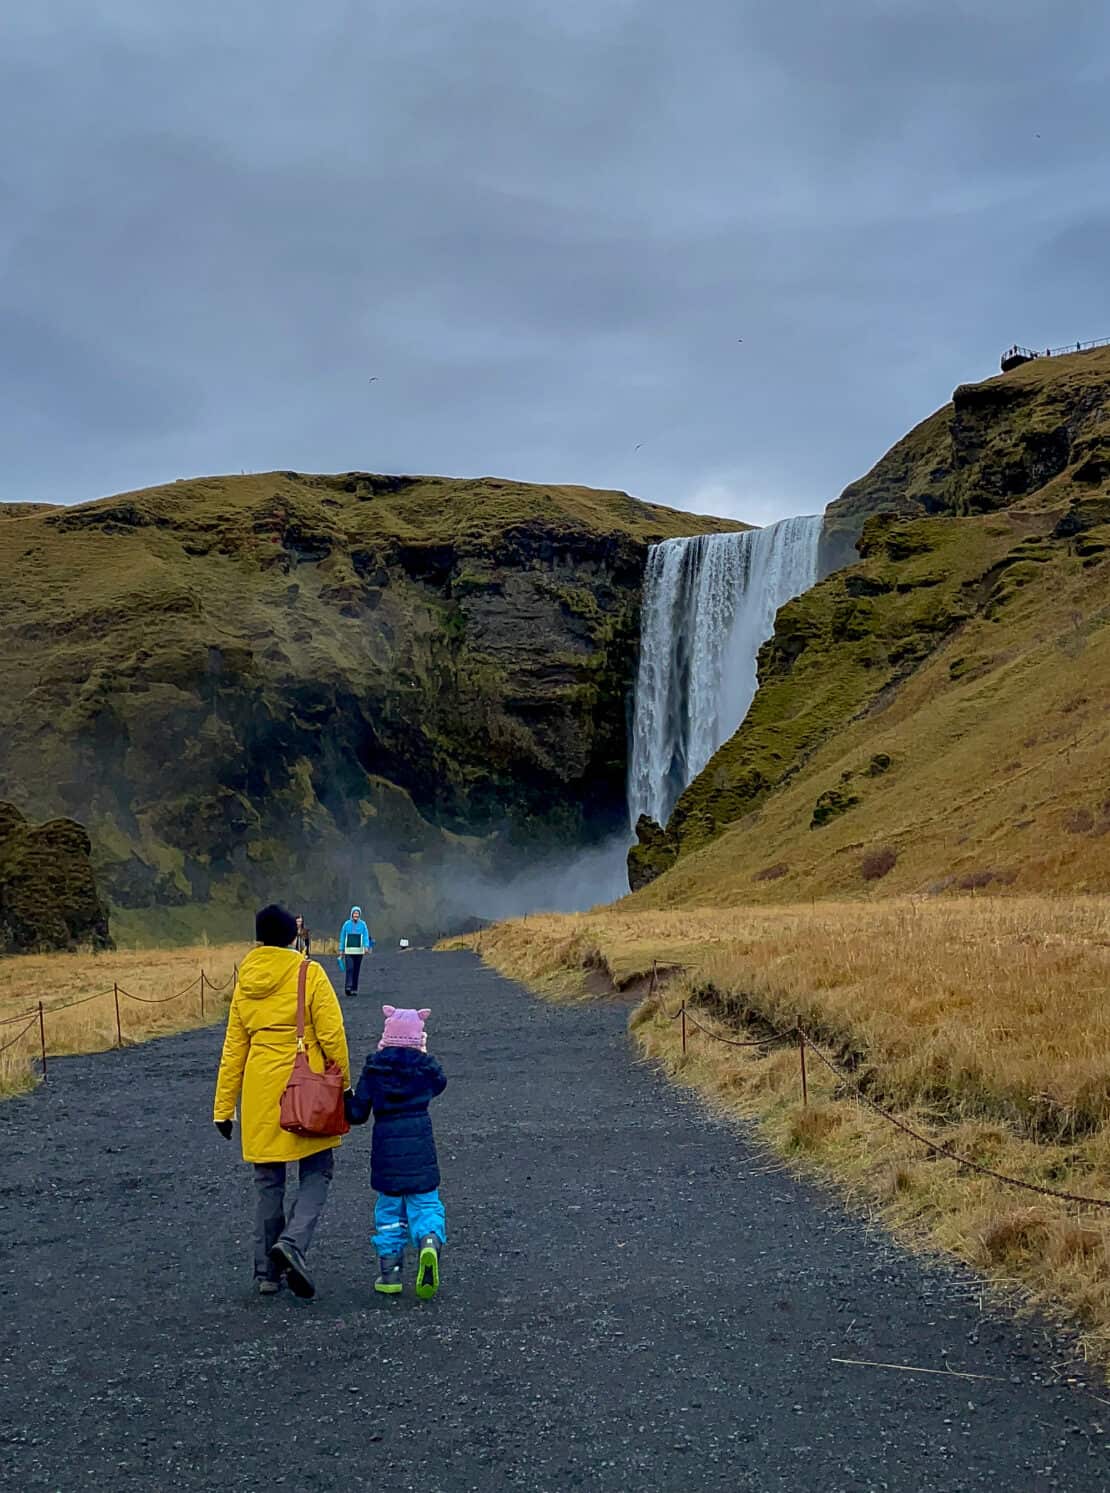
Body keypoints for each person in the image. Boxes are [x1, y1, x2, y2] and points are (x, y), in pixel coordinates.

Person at [213, 903, 350, 1299]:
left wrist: (224, 1108)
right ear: (294, 936)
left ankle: (266, 1274)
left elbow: (233, 1048)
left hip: (259, 1092)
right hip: (304, 1088)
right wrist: (345, 1086)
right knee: (318, 1170)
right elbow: (332, 1035)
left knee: (268, 1182)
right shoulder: (309, 972)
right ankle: (292, 1243)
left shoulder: (246, 980)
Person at [345, 1005, 447, 1299]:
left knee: (389, 1212)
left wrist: (345, 1098)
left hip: (386, 1149)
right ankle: (429, 1241)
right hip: (421, 1146)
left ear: (386, 1035)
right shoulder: (424, 1070)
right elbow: (441, 1083)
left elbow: (357, 1113)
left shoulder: (375, 1070)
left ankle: (390, 1273)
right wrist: (423, 1056)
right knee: (426, 1203)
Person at [337, 905, 373, 997]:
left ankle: (354, 988)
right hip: (349, 950)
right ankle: (348, 987)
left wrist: (366, 946)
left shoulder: (363, 924)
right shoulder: (346, 924)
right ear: (352, 914)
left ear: (359, 915)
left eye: (357, 913)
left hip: (359, 950)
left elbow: (365, 936)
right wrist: (341, 949)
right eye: (354, 913)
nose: (356, 915)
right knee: (350, 968)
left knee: (356, 969)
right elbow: (342, 937)